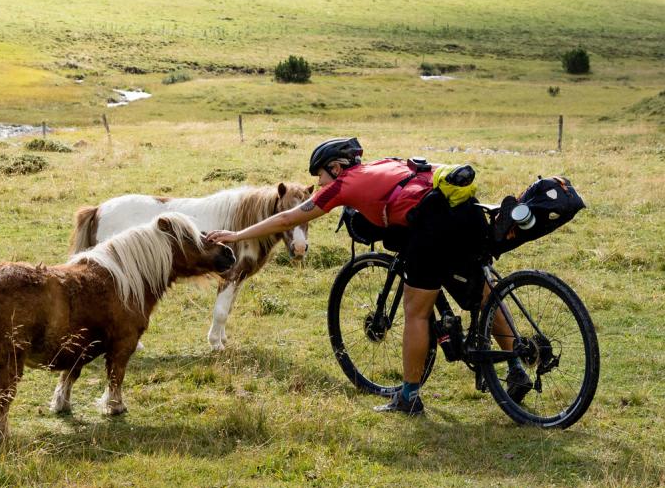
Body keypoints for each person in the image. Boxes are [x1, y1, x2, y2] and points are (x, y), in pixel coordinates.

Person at [205, 138, 532, 415]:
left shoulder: (343, 184)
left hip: (434, 227)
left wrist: (235, 235)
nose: (319, 184)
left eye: (320, 175)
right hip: (467, 215)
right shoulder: (387, 164)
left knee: (416, 311)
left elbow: (288, 218)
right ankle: (516, 365)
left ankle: (408, 397)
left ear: (335, 168)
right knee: (483, 293)